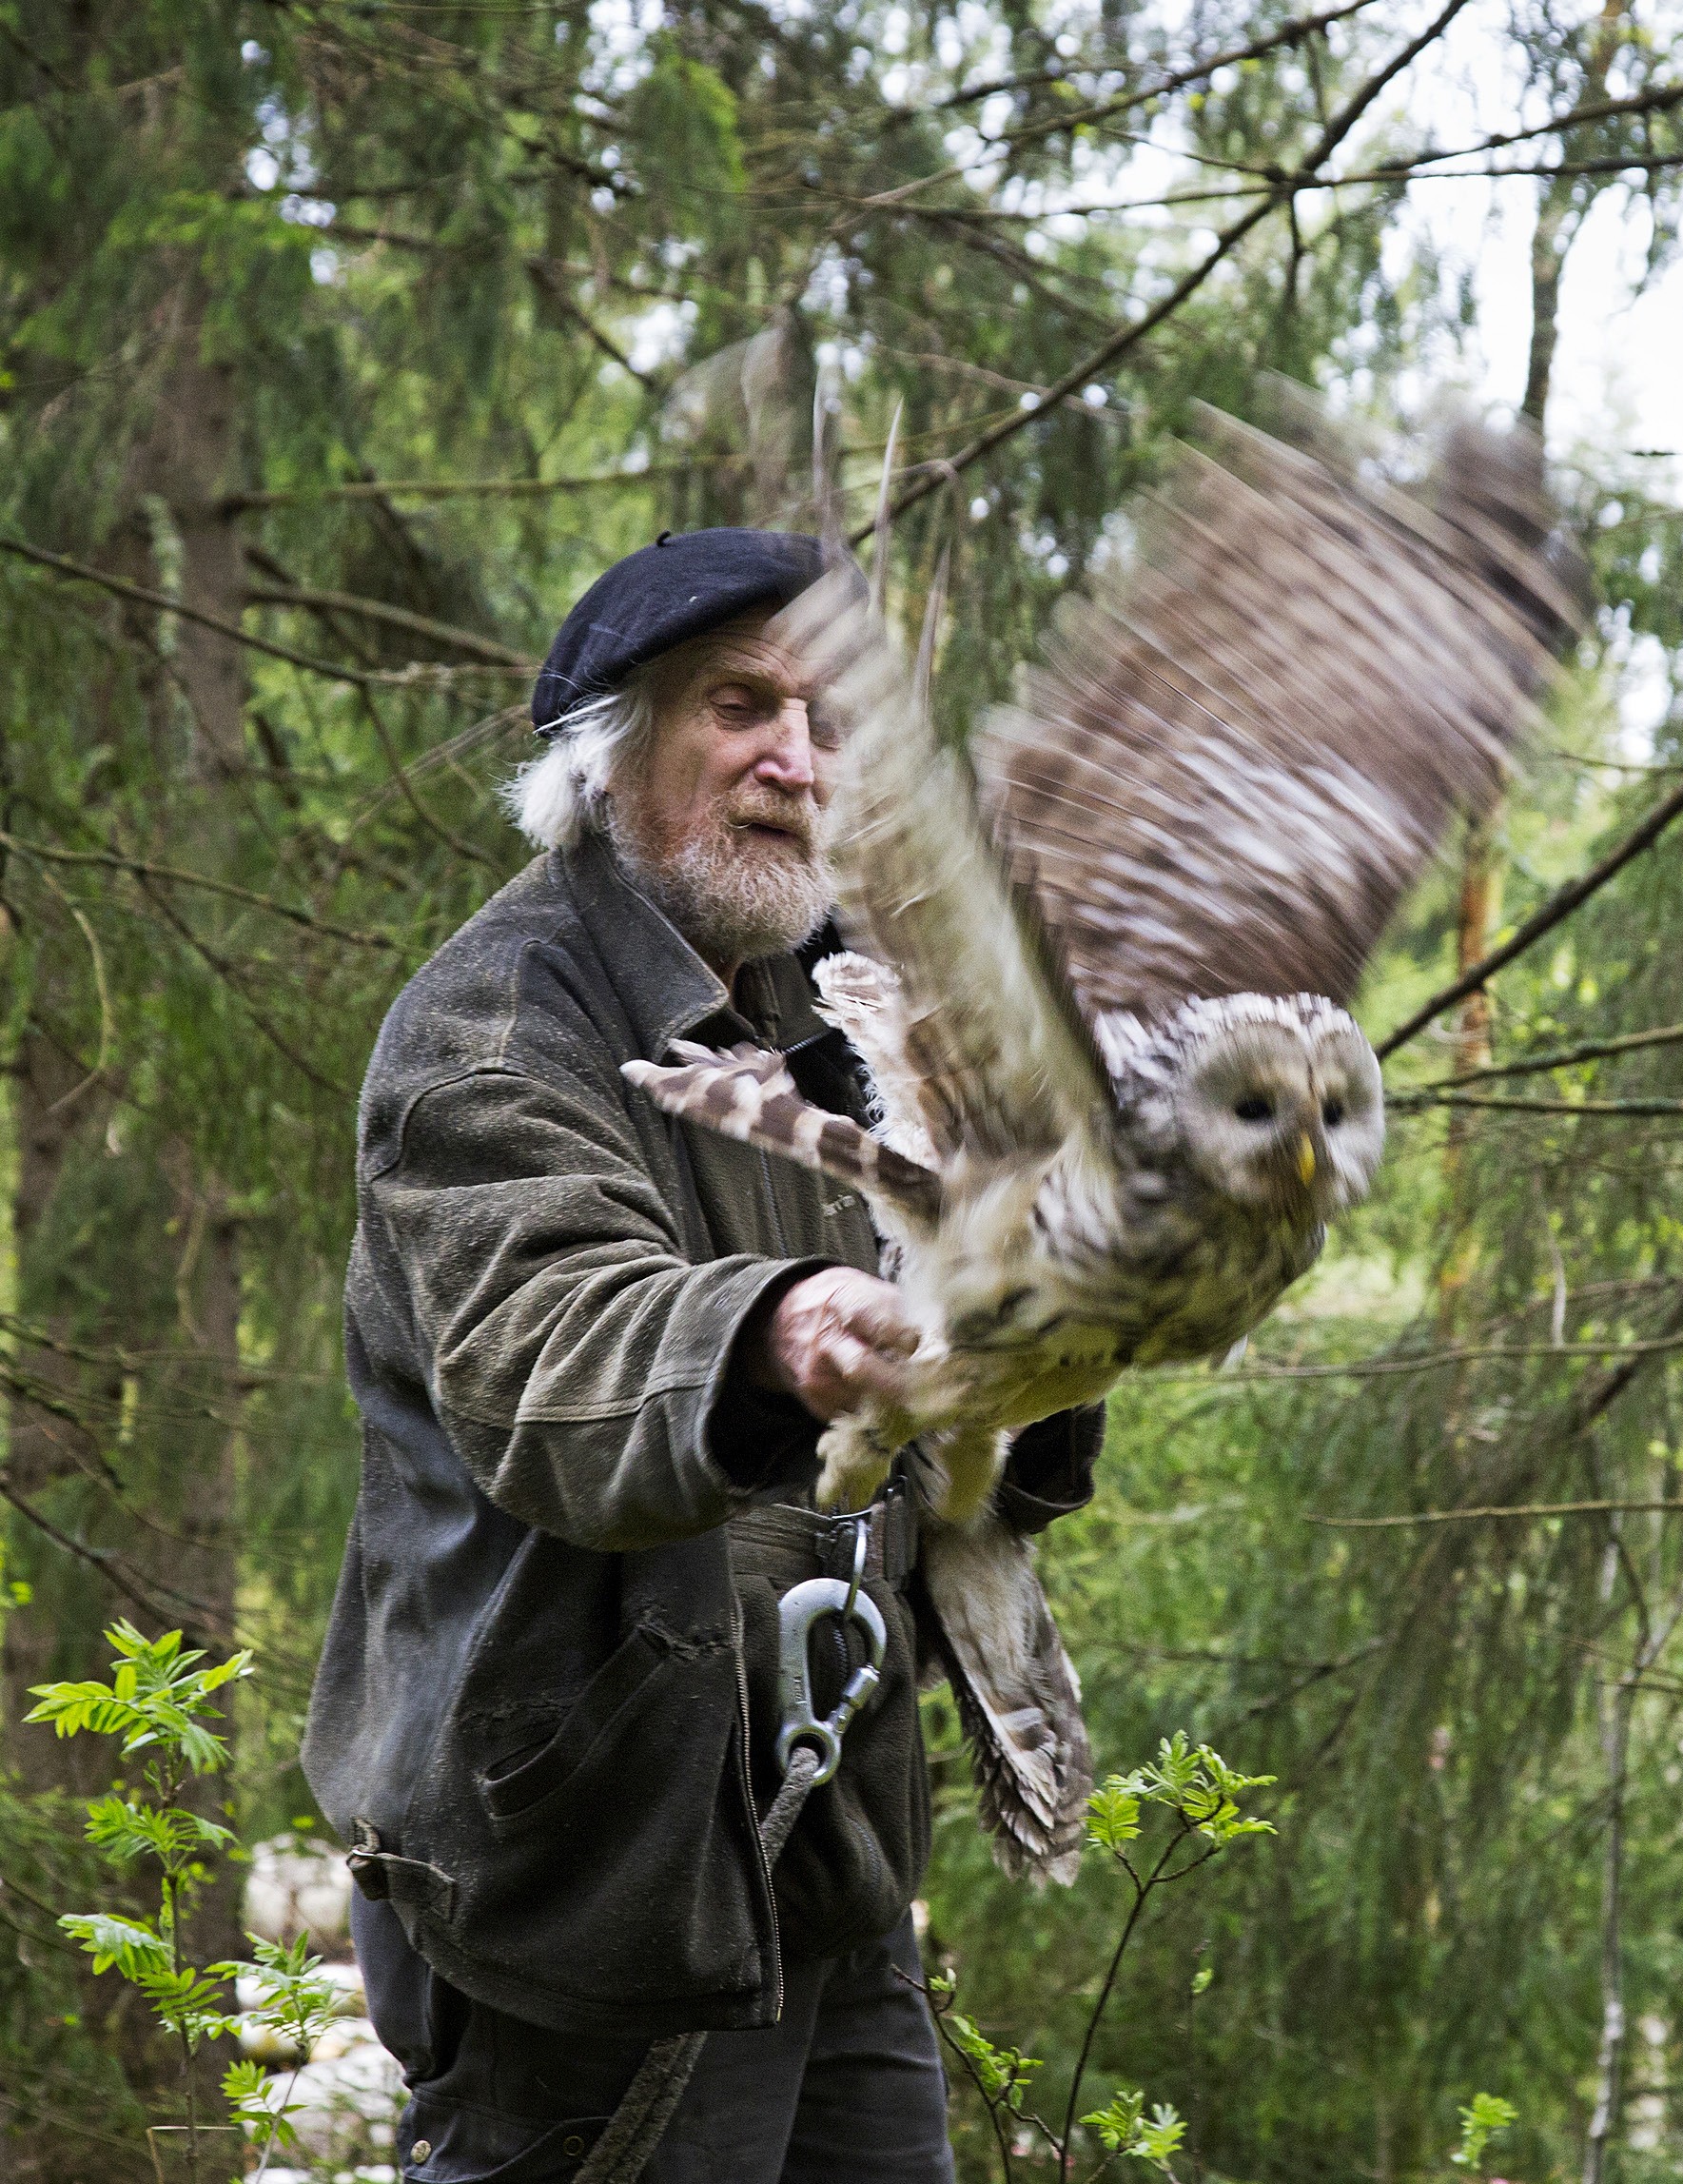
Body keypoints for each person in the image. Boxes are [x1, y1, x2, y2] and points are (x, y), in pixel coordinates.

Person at [302, 528, 1103, 2182]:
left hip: (826, 1869)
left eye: (827, 725)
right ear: (611, 750)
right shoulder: (497, 1024)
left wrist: (1058, 1331)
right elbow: (552, 1352)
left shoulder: (841, 1018)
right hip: (592, 1877)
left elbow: (977, 1341)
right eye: (740, 707)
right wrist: (783, 1330)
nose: (795, 763)